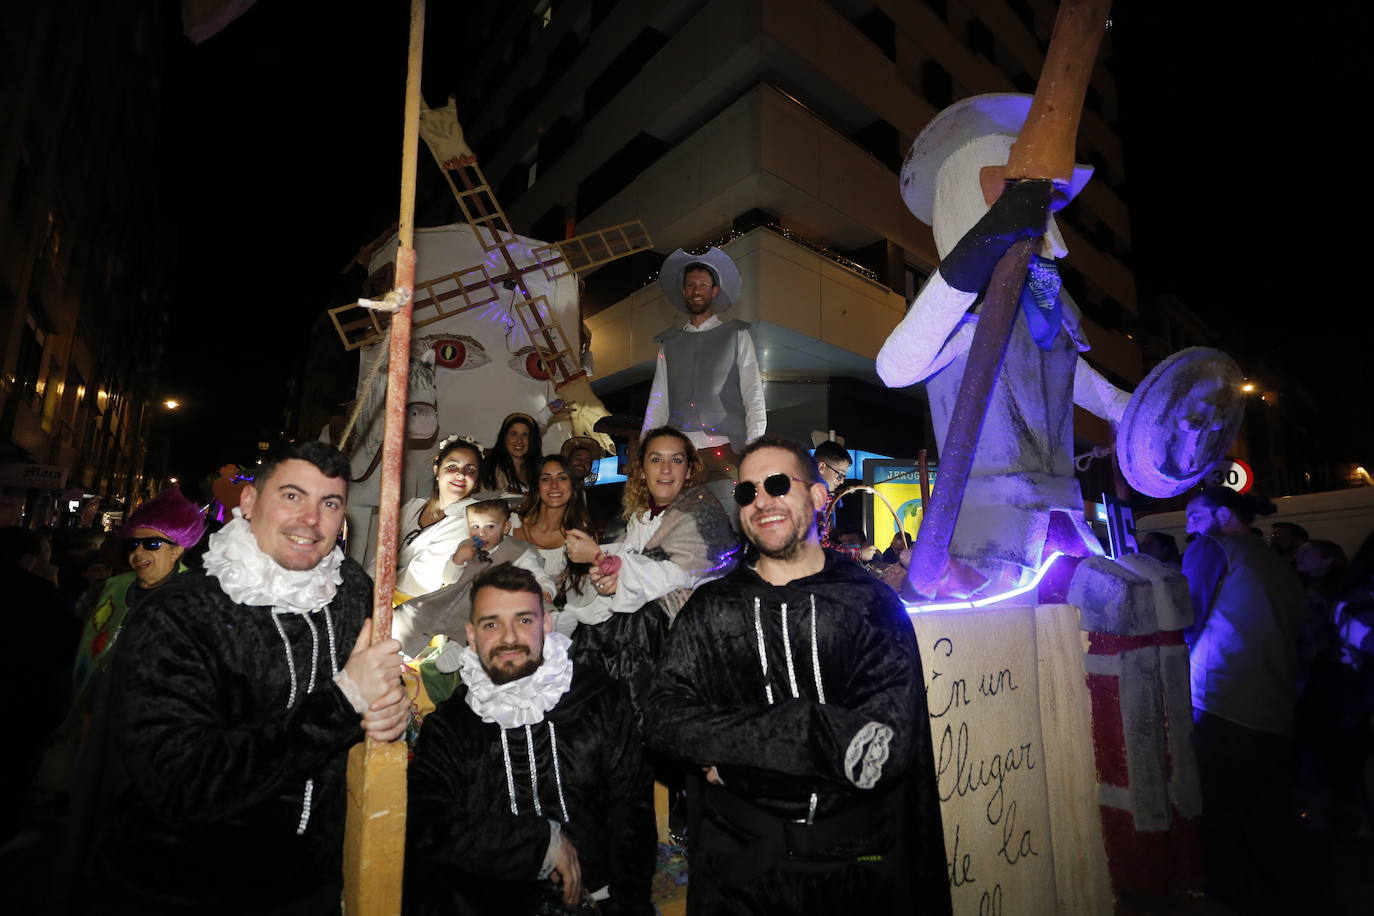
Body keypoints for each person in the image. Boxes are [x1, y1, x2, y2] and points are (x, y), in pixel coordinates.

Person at [65, 440, 408, 915]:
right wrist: (345, 699)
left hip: (313, 885)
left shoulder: (351, 591)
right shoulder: (181, 615)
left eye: (329, 503)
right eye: (292, 496)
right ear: (248, 504)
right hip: (187, 889)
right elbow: (182, 787)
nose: (311, 519)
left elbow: (369, 699)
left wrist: (388, 709)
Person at [643, 436, 950, 915]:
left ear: (817, 495)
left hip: (855, 870)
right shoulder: (711, 609)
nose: (761, 501)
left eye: (778, 484)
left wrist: (737, 759)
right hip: (740, 878)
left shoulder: (869, 605)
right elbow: (663, 720)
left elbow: (884, 746)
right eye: (747, 493)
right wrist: (817, 733)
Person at [875, 93, 1130, 596]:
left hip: (1063, 514)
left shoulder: (1045, 298)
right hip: (985, 530)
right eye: (1006, 193)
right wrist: (977, 263)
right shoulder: (951, 314)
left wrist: (1131, 410)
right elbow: (893, 368)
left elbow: (1065, 369)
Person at [404, 563, 655, 916]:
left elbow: (633, 813)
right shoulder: (451, 726)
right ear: (472, 636)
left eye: (524, 620)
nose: (509, 638)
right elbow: (424, 822)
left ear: (546, 625)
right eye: (491, 624)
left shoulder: (600, 699)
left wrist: (627, 906)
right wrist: (537, 844)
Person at [1182, 486, 1305, 912]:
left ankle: (1229, 900)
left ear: (1223, 515)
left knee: (1220, 818)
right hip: (1275, 707)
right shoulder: (1275, 561)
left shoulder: (1212, 547)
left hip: (1223, 703)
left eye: (1196, 517)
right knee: (1270, 816)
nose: (1189, 528)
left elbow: (1186, 618)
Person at [562, 426, 739, 710]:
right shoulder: (642, 517)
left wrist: (599, 557)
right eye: (656, 459)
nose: (666, 469)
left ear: (689, 470)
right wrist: (604, 572)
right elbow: (629, 555)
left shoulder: (701, 513)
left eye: (677, 460)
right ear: (642, 470)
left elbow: (674, 573)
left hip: (679, 649)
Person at [642, 247, 767, 510]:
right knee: (681, 532)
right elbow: (658, 400)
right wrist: (646, 452)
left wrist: (754, 451)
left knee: (727, 527)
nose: (696, 290)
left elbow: (753, 394)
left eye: (703, 284)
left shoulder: (737, 335)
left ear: (714, 291)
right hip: (680, 456)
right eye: (690, 285)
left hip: (726, 452)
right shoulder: (669, 343)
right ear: (683, 291)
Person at [70, 486, 207, 701]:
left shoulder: (200, 597)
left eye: (152, 544)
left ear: (177, 550)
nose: (138, 552)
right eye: (133, 544)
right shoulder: (111, 586)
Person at [392, 499, 557, 659]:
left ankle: (459, 651)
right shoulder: (466, 546)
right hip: (454, 598)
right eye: (475, 526)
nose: (481, 533)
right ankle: (398, 651)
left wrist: (546, 590)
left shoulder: (517, 551)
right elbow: (449, 579)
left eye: (490, 526)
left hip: (490, 607)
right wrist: (457, 560)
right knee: (411, 613)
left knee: (486, 628)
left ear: (506, 527)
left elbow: (538, 576)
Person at [394, 434, 483, 598]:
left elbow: (420, 583)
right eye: (452, 466)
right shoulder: (413, 506)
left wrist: (383, 579)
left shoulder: (465, 522)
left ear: (476, 481)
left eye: (470, 470)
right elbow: (380, 557)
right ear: (437, 468)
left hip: (414, 608)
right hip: (378, 593)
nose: (461, 475)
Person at [513, 455, 594, 615]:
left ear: (572, 485)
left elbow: (580, 599)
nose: (554, 485)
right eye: (546, 479)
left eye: (562, 478)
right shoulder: (511, 524)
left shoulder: (577, 540)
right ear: (537, 485)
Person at [479, 412, 543, 497]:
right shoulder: (489, 468)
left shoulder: (540, 468)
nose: (519, 440)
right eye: (513, 434)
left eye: (525, 435)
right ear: (504, 437)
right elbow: (485, 503)